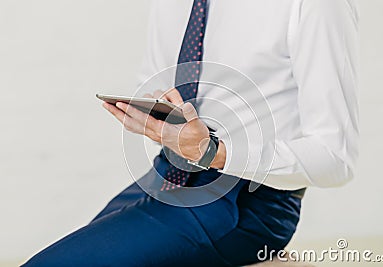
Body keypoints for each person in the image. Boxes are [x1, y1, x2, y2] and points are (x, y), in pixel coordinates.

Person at [22, 0, 359, 266]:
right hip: (167, 175)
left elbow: (335, 158)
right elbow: (156, 79)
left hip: (248, 204)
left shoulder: (317, 4)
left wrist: (212, 151)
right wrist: (152, 116)